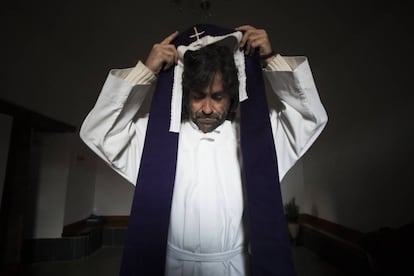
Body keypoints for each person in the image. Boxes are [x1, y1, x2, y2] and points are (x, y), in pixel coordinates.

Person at [80, 24, 328, 276]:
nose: (207, 108)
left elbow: (310, 118)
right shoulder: (154, 137)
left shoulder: (260, 138)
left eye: (217, 96)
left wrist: (270, 60)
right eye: (199, 95)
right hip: (172, 267)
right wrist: (145, 72)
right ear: (185, 94)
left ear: (231, 96)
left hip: (234, 268)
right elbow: (98, 132)